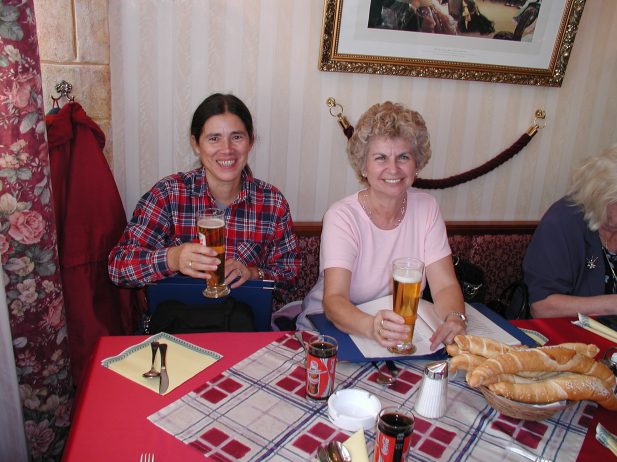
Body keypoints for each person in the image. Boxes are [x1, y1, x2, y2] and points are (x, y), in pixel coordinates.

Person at [297, 101, 466, 350]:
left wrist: (454, 318)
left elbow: (445, 286)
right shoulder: (342, 216)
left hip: (396, 333)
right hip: (331, 331)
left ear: (417, 163)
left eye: (403, 157)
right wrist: (372, 327)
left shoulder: (427, 208)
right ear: (363, 166)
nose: (393, 169)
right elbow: (334, 301)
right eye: (381, 158)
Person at [109, 93, 300, 294]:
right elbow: (118, 267)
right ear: (196, 144)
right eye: (214, 138)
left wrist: (253, 273)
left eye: (236, 137)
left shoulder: (272, 203)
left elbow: (291, 276)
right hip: (179, 312)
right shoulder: (168, 194)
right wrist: (173, 258)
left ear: (250, 141)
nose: (227, 149)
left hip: (244, 313)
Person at [523, 141, 617, 318]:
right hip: (567, 333)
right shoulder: (563, 220)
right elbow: (542, 306)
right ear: (605, 192)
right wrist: (613, 305)